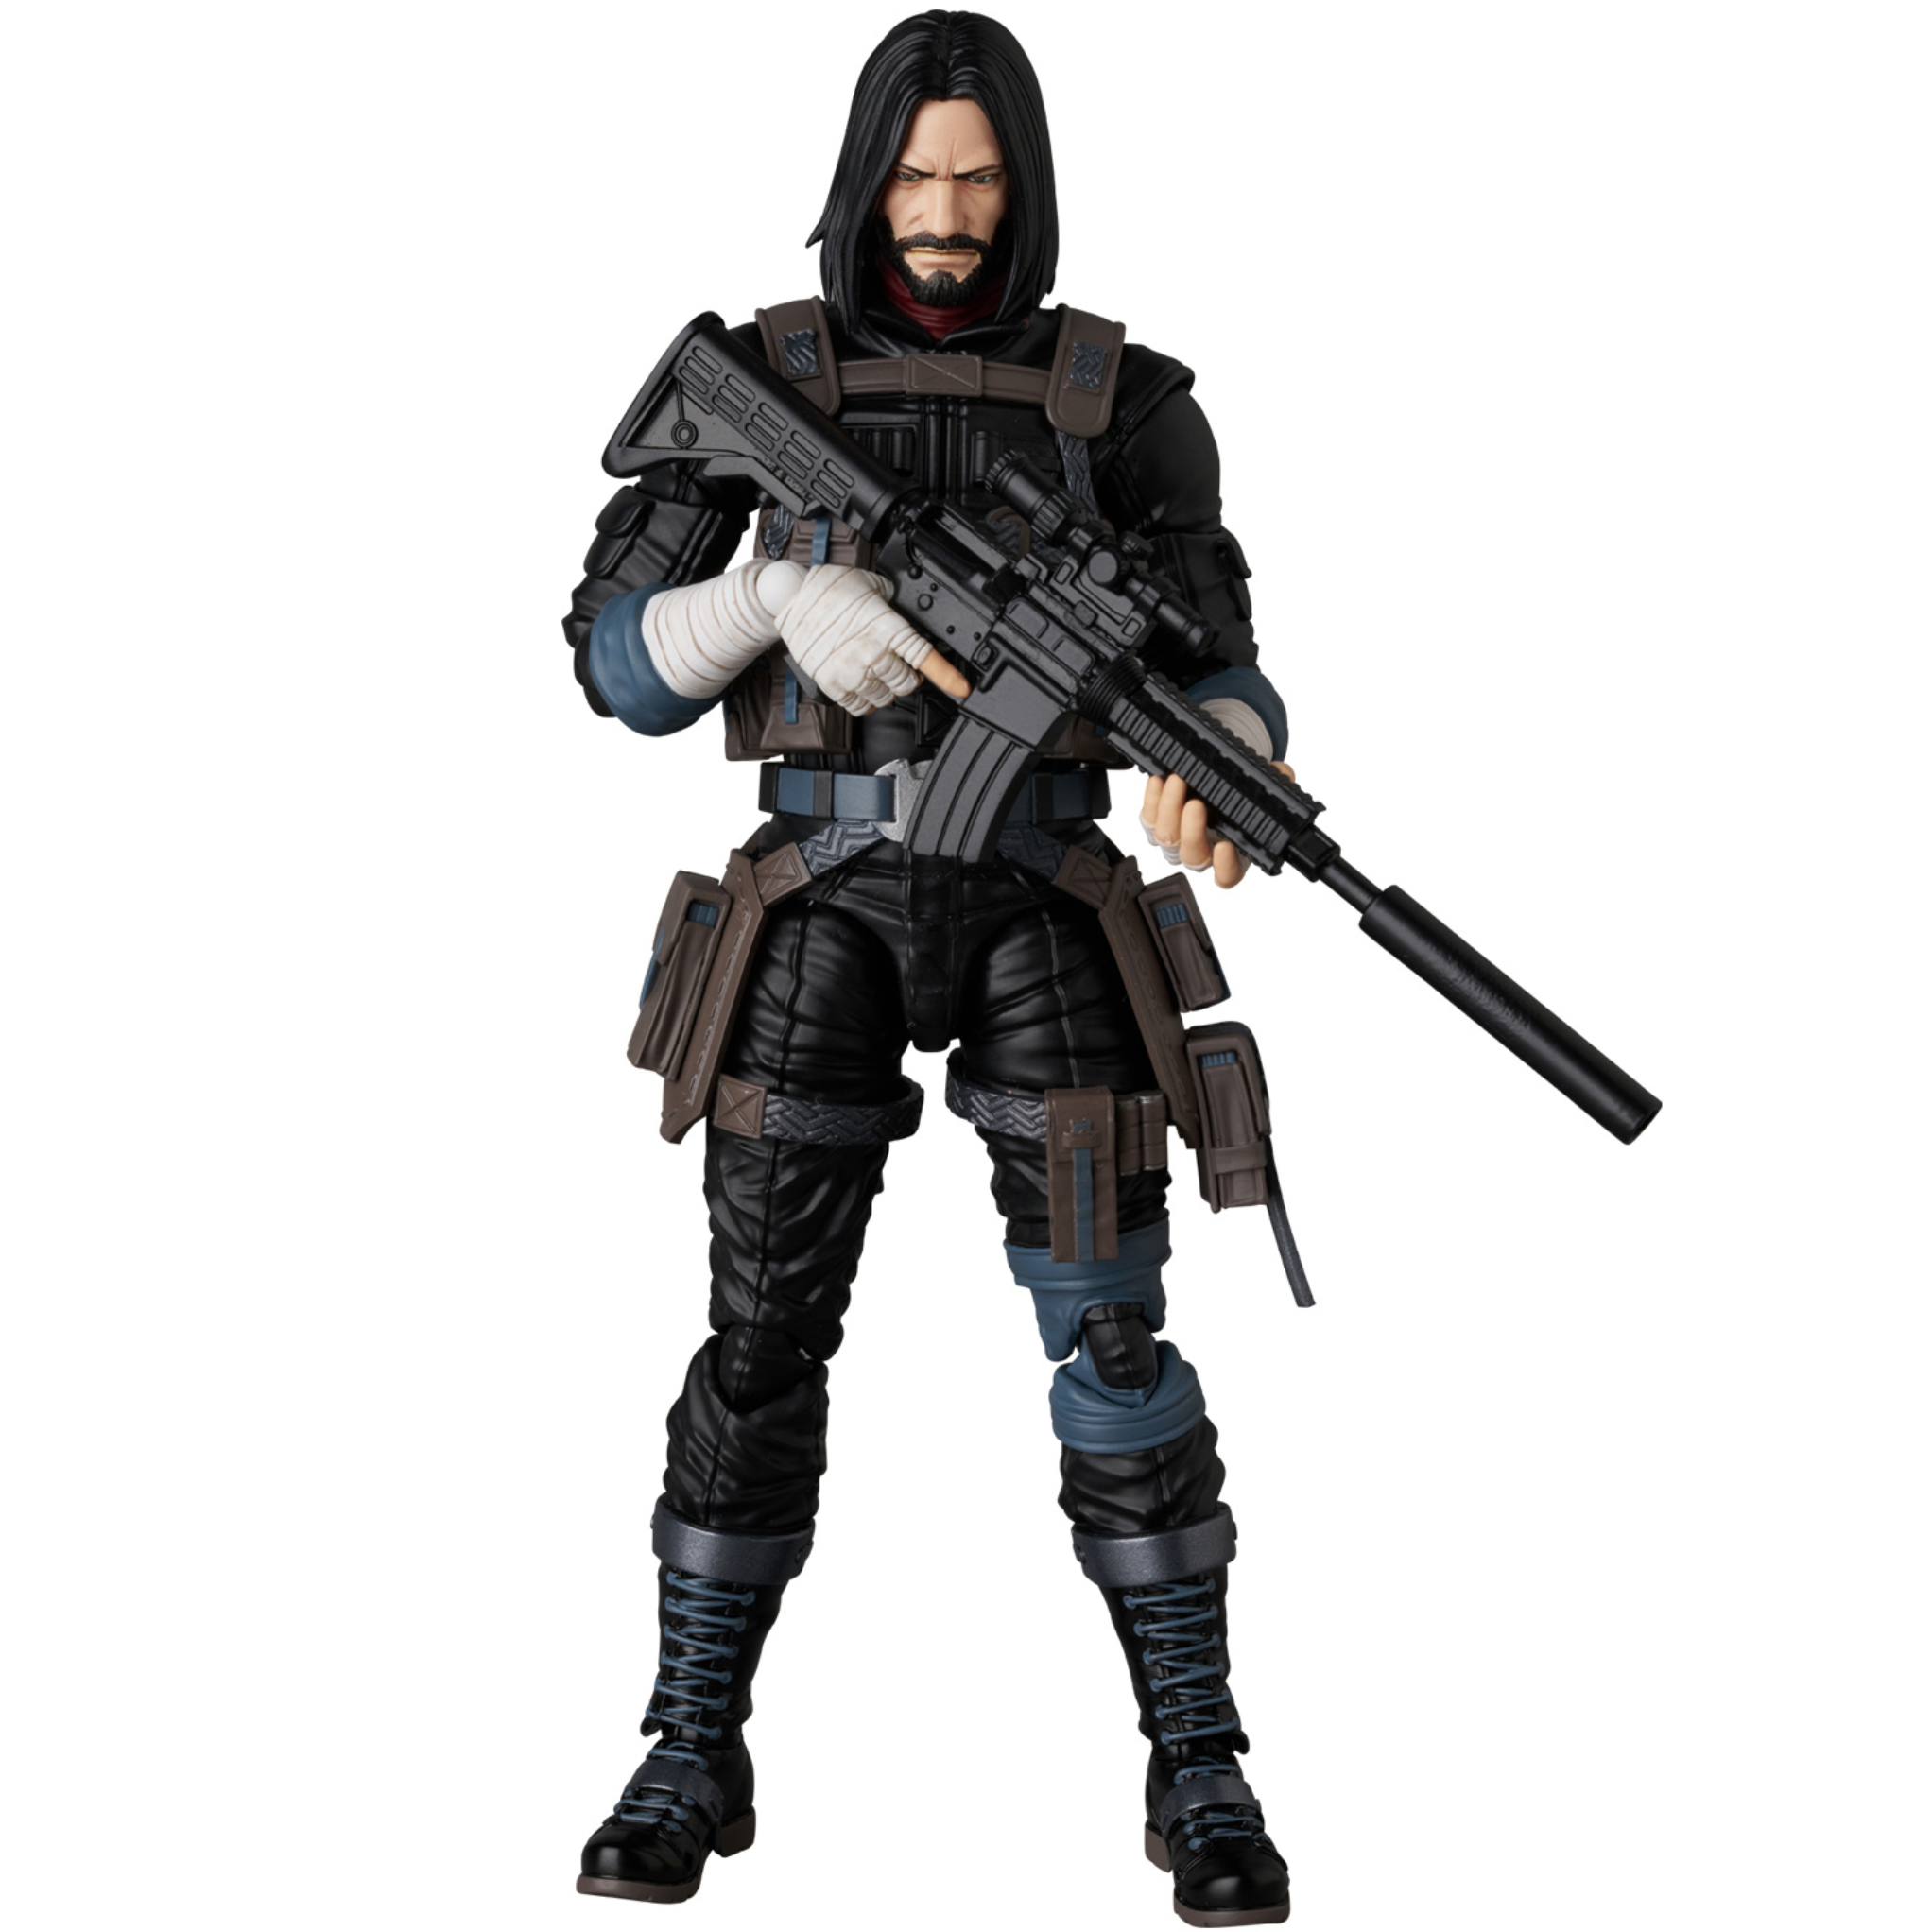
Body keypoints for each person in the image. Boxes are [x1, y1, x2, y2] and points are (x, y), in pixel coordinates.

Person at [563, 14, 1293, 1924]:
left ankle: (1197, 1753)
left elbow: (1217, 649)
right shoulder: (773, 379)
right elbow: (613, 665)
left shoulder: (1122, 402)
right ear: (860, 175)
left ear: (1023, 184)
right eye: (915, 176)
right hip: (817, 900)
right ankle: (688, 1735)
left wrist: (1235, 756)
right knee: (759, 1337)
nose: (947, 215)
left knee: (1111, 1334)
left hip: (1045, 897)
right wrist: (763, 598)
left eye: (978, 179)